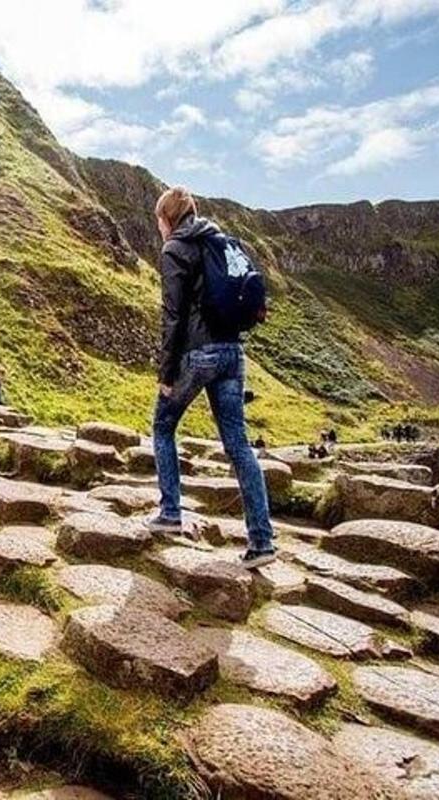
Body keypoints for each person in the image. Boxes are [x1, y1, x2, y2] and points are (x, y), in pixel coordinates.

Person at [147, 186, 276, 569]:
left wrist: (166, 372)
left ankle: (170, 513)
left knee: (162, 425)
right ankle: (262, 542)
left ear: (167, 218)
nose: (158, 227)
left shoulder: (175, 249)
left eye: (159, 220)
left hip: (198, 354)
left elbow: (173, 316)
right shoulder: (221, 241)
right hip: (233, 353)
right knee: (239, 447)